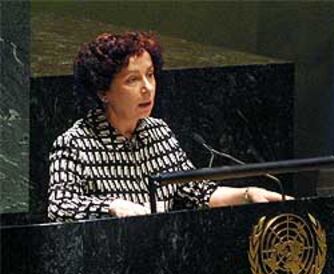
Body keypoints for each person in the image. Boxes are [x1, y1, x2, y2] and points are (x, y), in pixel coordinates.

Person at [48, 31, 289, 222]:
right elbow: (59, 207)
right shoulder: (74, 144)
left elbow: (198, 193)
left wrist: (247, 194)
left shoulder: (158, 132)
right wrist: (112, 206)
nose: (147, 88)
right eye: (133, 79)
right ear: (103, 92)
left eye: (150, 75)